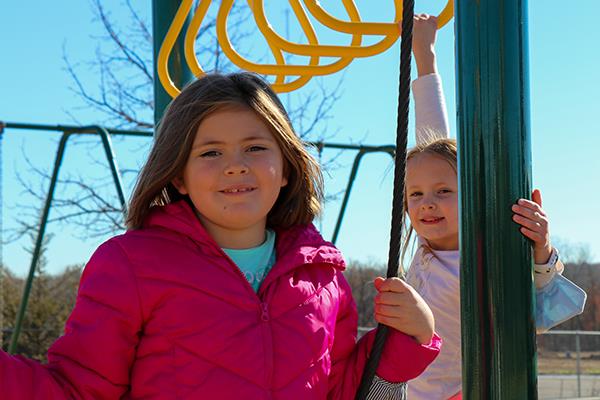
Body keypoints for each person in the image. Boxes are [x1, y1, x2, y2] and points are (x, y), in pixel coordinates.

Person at [0, 72, 443, 399]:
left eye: (255, 147)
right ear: (179, 177)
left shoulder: (321, 277)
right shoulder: (132, 265)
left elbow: (344, 389)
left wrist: (412, 335)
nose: (236, 165)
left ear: (286, 167)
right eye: (211, 152)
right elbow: (80, 390)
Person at [404, 15, 586, 400]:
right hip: (415, 393)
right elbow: (430, 138)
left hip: (463, 391)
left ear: (470, 194)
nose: (428, 203)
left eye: (442, 192)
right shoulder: (419, 247)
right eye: (415, 195)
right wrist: (425, 58)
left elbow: (535, 301)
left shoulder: (479, 252)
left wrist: (541, 249)